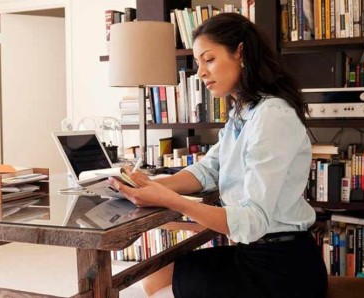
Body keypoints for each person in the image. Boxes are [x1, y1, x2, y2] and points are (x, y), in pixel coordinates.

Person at [109, 13, 328, 298]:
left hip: (281, 271)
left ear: (241, 53)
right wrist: (146, 186)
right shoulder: (243, 112)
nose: (200, 72)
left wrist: (170, 200)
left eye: (208, 59)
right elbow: (207, 171)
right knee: (153, 277)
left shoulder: (272, 116)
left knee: (156, 292)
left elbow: (252, 222)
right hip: (255, 256)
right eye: (198, 62)